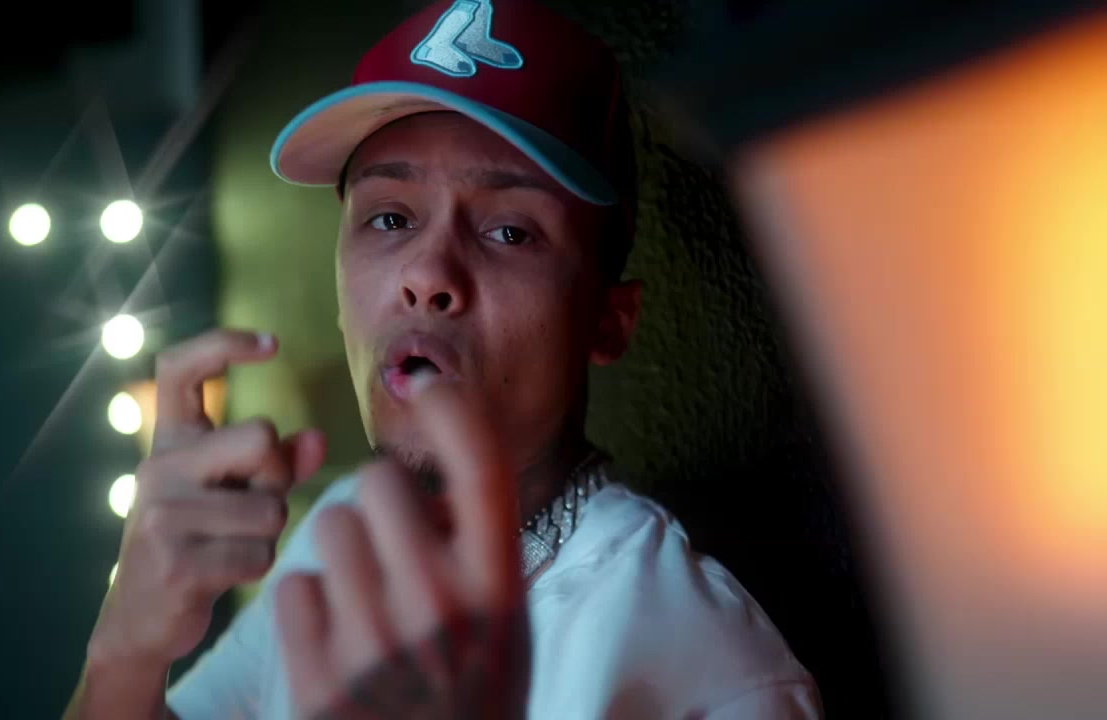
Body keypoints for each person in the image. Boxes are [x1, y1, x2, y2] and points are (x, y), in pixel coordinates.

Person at [65, 1, 821, 717]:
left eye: (510, 232)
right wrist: (123, 656)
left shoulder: (718, 673)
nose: (426, 274)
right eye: (390, 217)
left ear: (606, 321)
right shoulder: (347, 537)